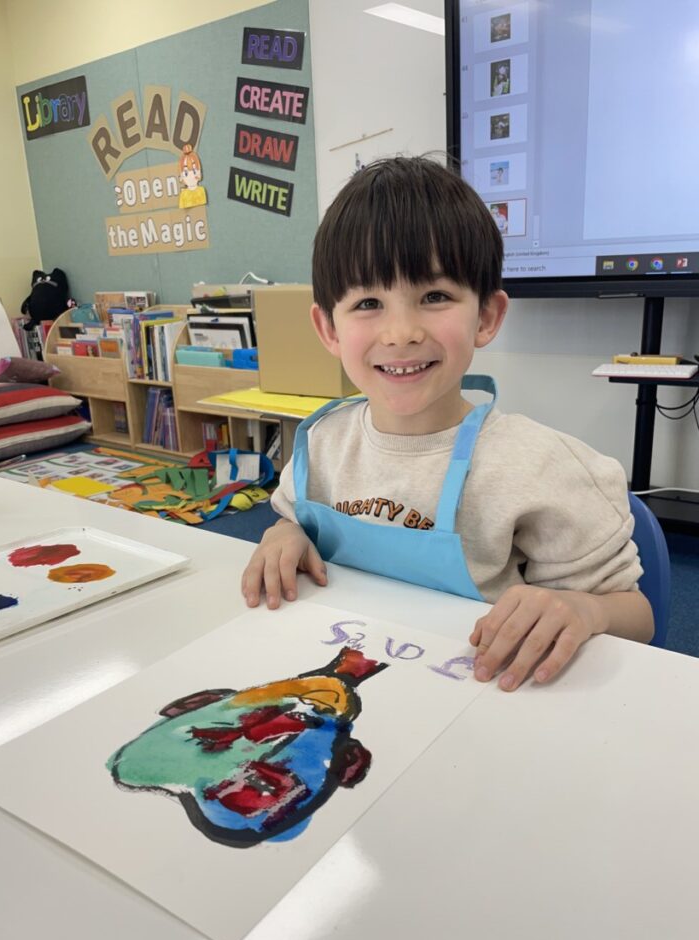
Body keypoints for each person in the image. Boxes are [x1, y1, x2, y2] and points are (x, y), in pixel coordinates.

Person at [241, 155, 654, 690]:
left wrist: (586, 609)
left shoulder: (540, 467)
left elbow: (637, 616)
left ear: (486, 316)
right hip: (347, 681)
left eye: (434, 297)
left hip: (482, 695)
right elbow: (291, 519)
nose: (401, 332)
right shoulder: (321, 443)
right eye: (368, 302)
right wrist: (286, 533)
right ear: (329, 329)